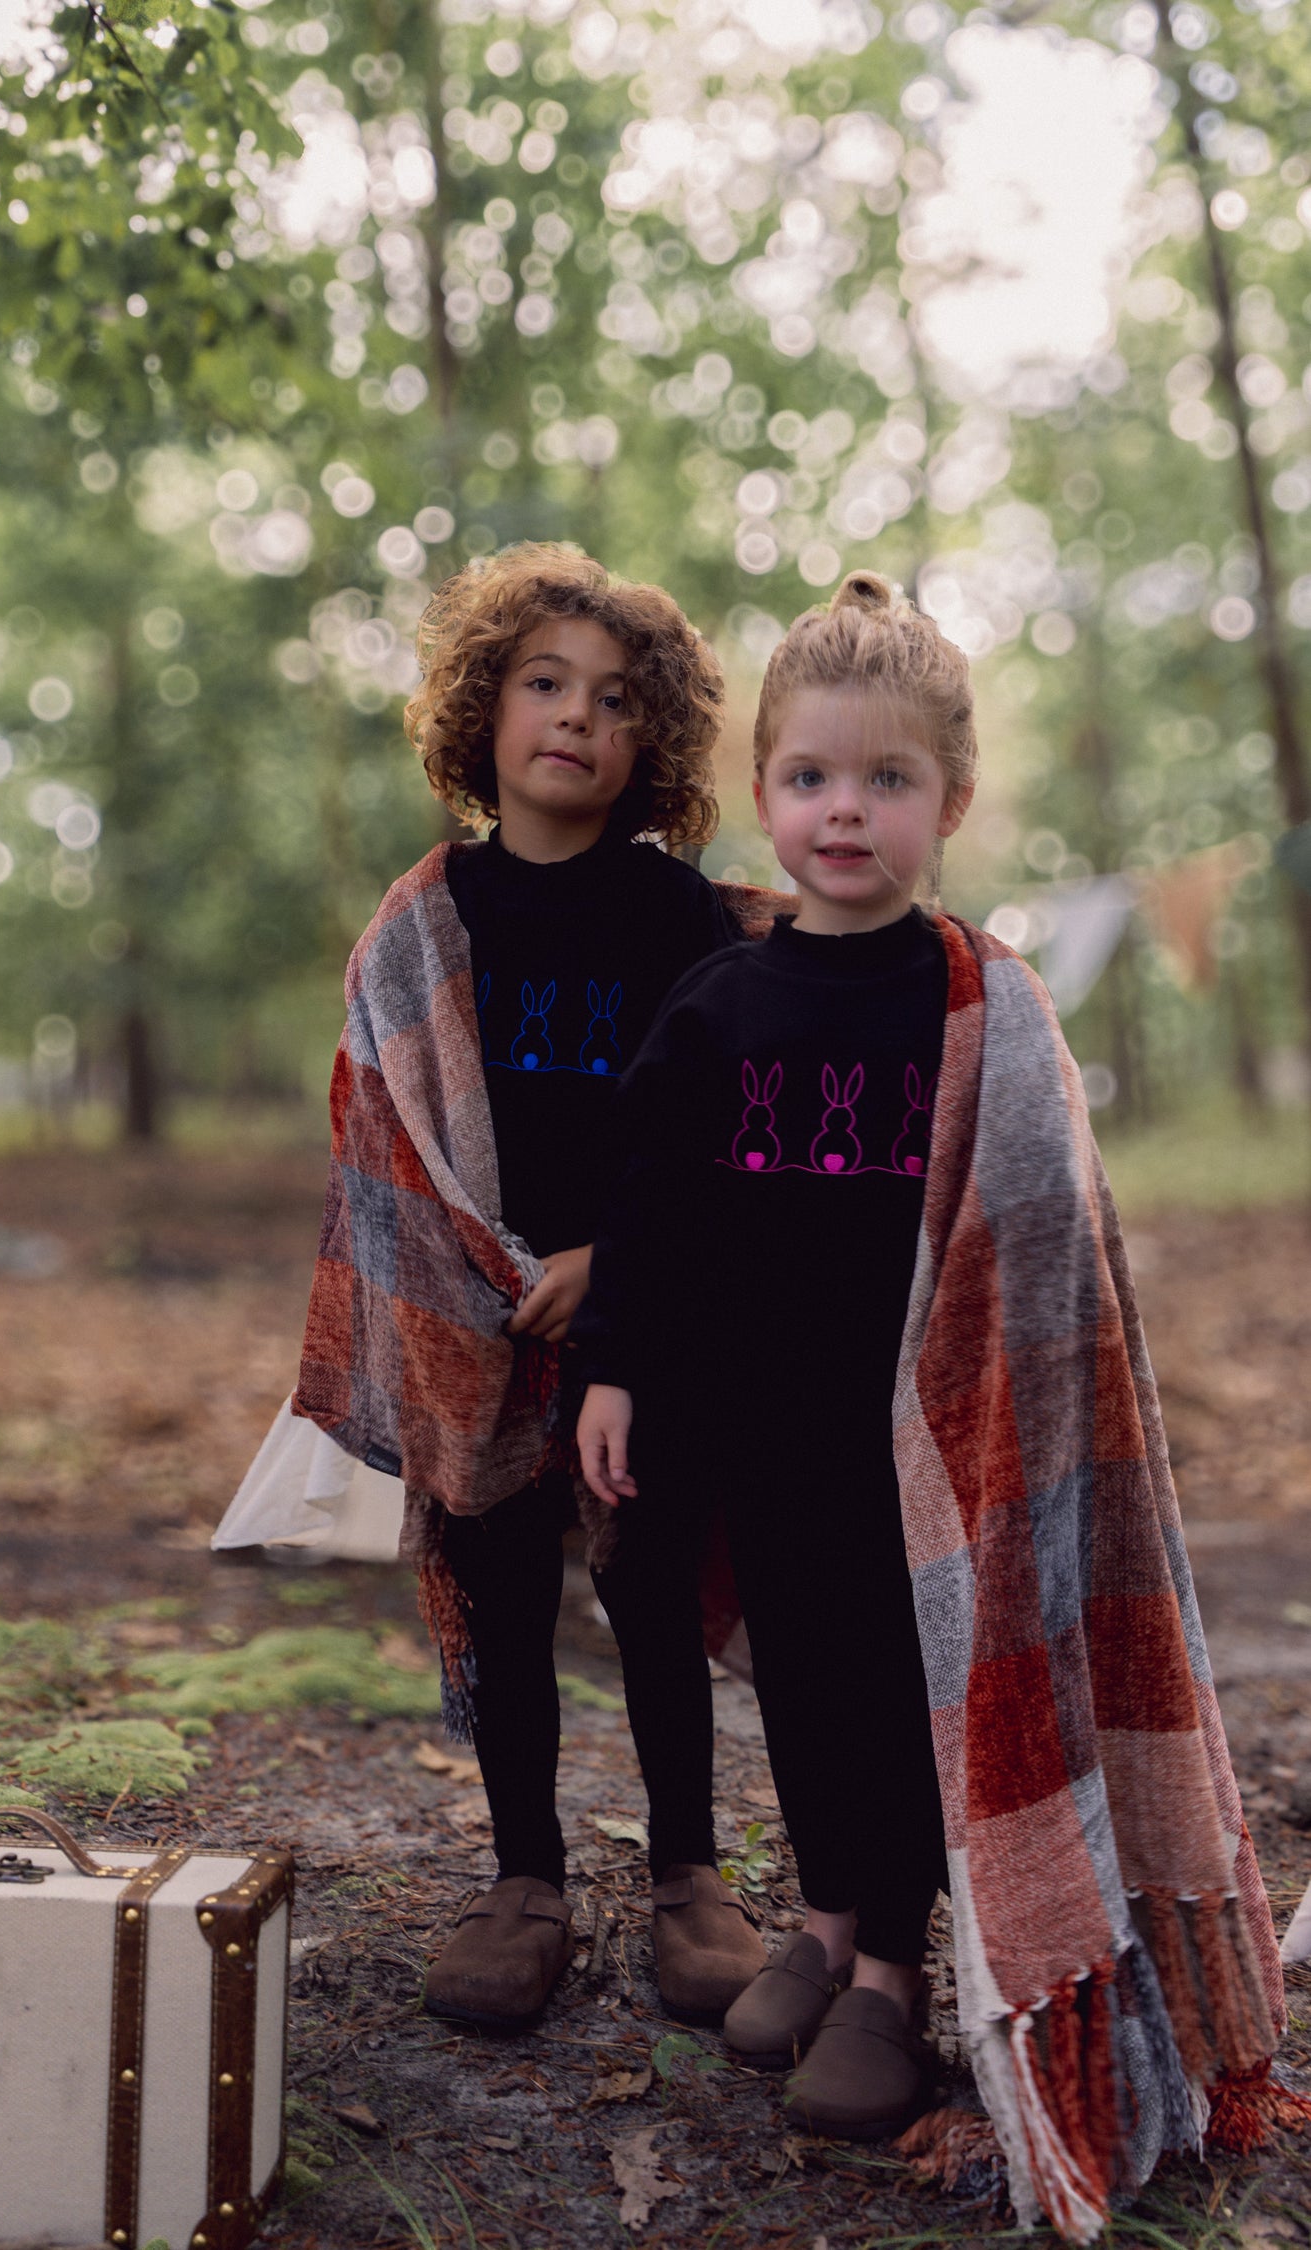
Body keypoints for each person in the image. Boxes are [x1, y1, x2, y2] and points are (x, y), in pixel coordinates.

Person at [575, 574, 1285, 2233]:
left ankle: (894, 1971)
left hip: (928, 1443)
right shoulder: (724, 1001)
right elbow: (655, 1206)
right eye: (814, 778)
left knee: (909, 1688)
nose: (846, 812)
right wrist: (616, 1360)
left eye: (886, 781)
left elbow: (1048, 1250)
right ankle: (826, 1916)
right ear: (764, 794)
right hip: (760, 1429)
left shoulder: (983, 1004)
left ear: (950, 804)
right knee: (809, 1681)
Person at [294, 543, 772, 2036]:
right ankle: (524, 1876)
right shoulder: (431, 918)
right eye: (544, 683)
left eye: (617, 699)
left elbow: (723, 1130)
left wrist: (611, 1265)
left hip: (646, 1312)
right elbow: (395, 1130)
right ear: (482, 712)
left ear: (655, 742)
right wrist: (492, 1275)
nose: (576, 717)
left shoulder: (675, 918)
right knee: (501, 1590)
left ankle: (690, 1870)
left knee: (647, 1570)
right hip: (480, 1319)